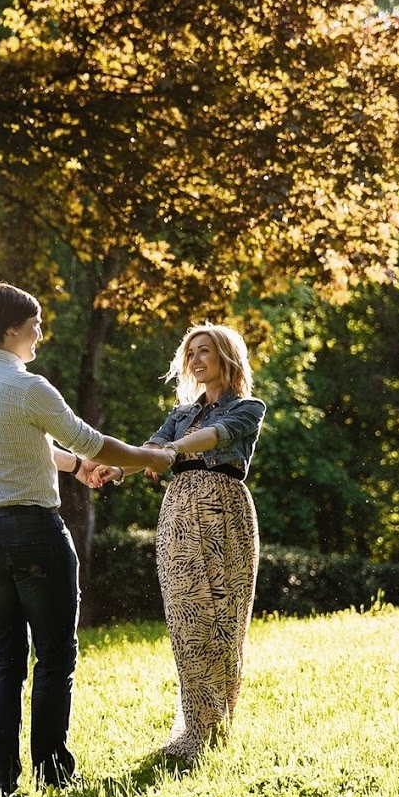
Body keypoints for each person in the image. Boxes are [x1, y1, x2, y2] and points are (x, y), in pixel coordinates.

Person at [0, 282, 176, 797]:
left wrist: (76, 469)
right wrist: (150, 458)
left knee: (6, 658)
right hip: (32, 533)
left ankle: (0, 781)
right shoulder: (30, 387)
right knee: (53, 656)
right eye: (36, 324)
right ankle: (52, 773)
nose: (40, 334)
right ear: (11, 328)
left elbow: (26, 445)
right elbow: (90, 439)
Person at [136, 323, 266, 762]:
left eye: (204, 350)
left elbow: (214, 436)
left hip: (224, 509)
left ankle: (215, 730)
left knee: (222, 619)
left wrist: (170, 451)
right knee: (187, 620)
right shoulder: (180, 413)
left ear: (226, 357)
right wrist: (113, 468)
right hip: (179, 509)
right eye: (190, 353)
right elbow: (149, 450)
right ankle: (194, 731)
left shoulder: (249, 407)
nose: (195, 360)